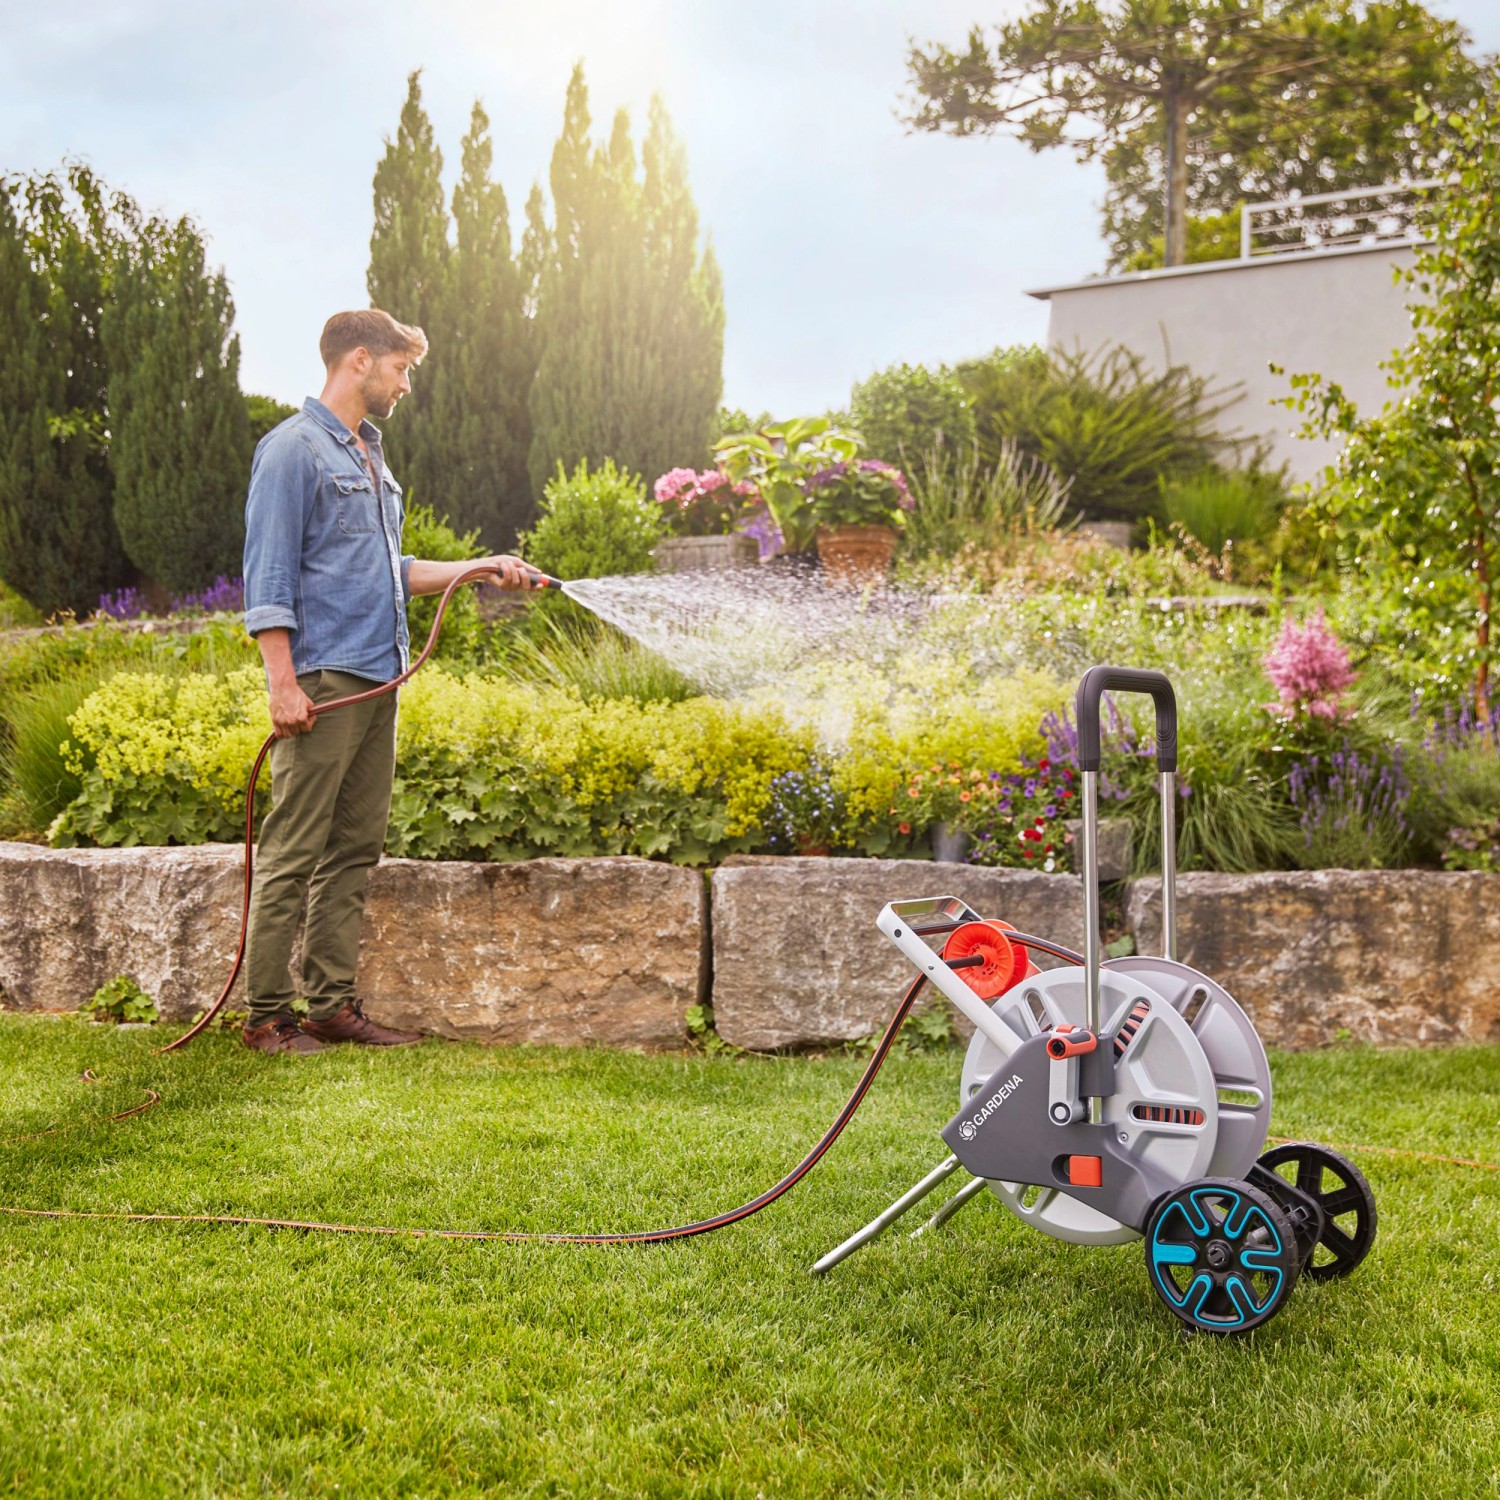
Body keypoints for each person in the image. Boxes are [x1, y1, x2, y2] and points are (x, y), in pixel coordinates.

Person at [240, 308, 538, 1055]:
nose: (406, 385)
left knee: (353, 848)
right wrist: (282, 683)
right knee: (294, 849)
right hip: (325, 680)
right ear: (360, 360)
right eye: (401, 369)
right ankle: (267, 1016)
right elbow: (269, 577)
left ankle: (330, 1006)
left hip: (379, 680)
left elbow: (390, 572)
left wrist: (479, 567)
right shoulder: (293, 450)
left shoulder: (371, 456)